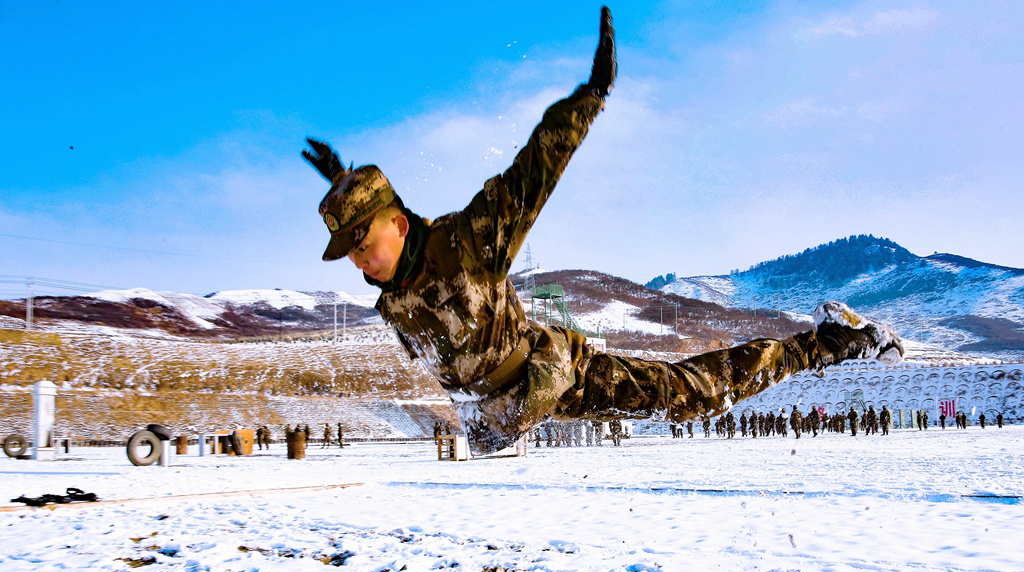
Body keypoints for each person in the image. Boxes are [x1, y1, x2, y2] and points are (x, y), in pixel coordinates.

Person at [301, 7, 904, 456]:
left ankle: (827, 342)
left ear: (399, 225)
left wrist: (589, 99)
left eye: (362, 242)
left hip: (552, 369)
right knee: (501, 434)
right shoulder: (392, 289)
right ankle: (828, 343)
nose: (359, 261)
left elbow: (533, 170)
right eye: (349, 250)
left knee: (691, 393)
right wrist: (345, 182)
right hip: (506, 404)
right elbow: (384, 229)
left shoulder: (466, 243)